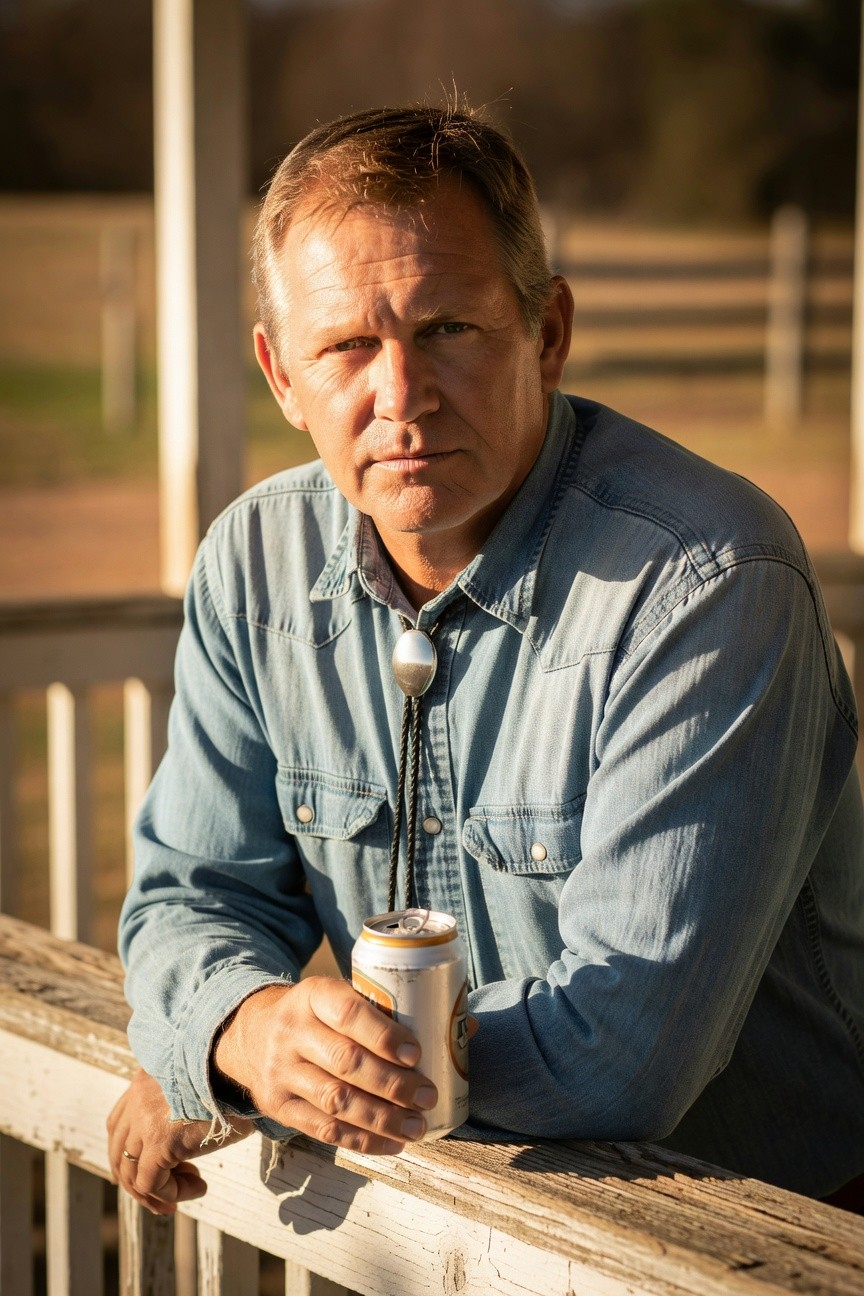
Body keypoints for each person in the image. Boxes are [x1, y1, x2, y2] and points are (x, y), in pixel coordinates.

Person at [108, 103, 864, 1217]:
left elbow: (628, 1048)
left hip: (770, 1232)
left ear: (546, 331)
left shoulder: (708, 580)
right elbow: (190, 896)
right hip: (475, 1224)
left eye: (448, 328)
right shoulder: (250, 566)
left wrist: (273, 1078)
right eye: (347, 347)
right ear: (281, 374)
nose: (400, 399)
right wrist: (240, 1027)